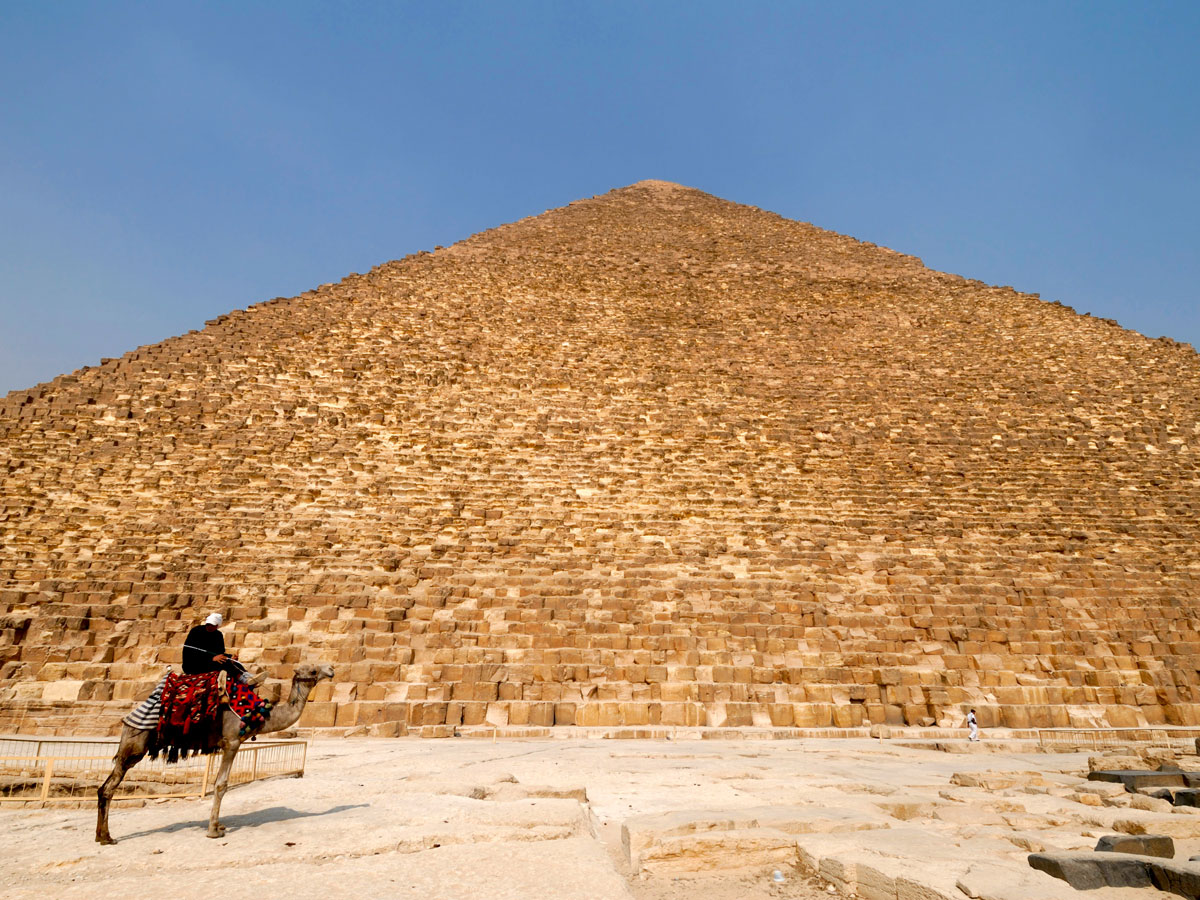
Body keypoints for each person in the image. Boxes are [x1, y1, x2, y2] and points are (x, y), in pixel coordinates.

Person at [183, 613, 264, 686]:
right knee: (224, 664)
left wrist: (229, 657)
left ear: (217, 625)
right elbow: (191, 652)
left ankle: (247, 675)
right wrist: (212, 658)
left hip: (210, 661)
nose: (209, 626)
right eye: (208, 624)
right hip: (193, 664)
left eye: (212, 625)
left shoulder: (218, 635)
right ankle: (243, 679)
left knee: (233, 662)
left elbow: (219, 652)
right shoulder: (196, 631)